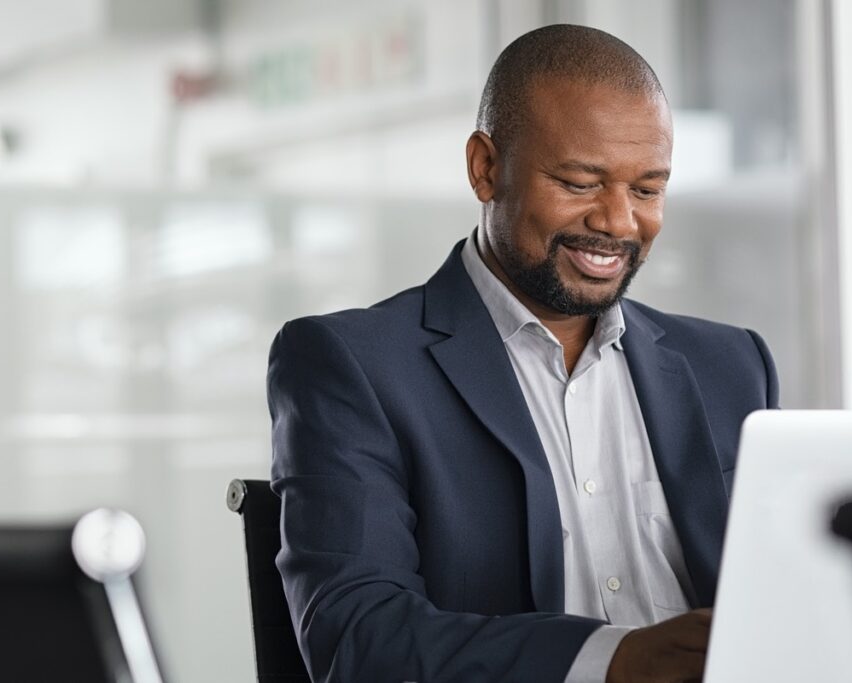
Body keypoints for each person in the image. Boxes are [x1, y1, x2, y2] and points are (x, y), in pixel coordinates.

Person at [267, 24, 778, 683]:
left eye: (647, 190)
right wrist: (614, 659)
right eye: (579, 182)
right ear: (486, 168)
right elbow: (361, 639)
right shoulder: (353, 365)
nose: (619, 222)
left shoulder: (731, 365)